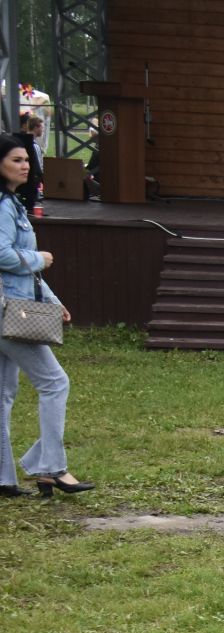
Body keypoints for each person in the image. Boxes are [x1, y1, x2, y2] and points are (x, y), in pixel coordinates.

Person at [0, 136, 85, 500]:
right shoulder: (4, 206)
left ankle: (4, 478)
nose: (25, 165)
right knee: (55, 382)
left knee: (4, 393)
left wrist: (52, 298)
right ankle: (50, 466)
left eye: (26, 160)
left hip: (14, 301)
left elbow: (21, 273)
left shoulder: (12, 204)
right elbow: (4, 255)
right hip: (9, 310)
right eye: (16, 159)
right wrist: (40, 258)